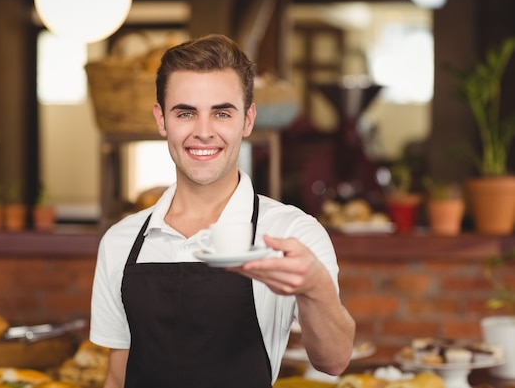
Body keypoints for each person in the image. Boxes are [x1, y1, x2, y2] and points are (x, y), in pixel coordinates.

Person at [90, 34, 355, 388]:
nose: (203, 132)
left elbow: (334, 361)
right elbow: (117, 376)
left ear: (247, 120)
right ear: (161, 119)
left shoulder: (292, 233)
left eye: (221, 113)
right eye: (185, 113)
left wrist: (315, 287)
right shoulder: (120, 242)